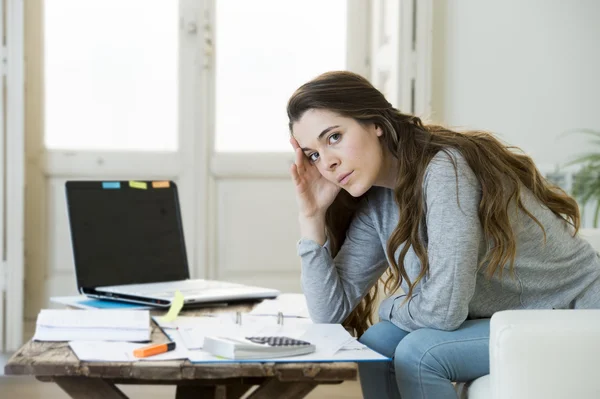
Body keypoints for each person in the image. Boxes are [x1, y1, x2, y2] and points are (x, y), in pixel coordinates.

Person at [286, 70, 600, 398]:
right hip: (514, 317)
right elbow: (327, 312)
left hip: (572, 314)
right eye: (314, 155)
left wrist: (390, 309)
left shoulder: (445, 170)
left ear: (375, 123)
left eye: (334, 137)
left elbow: (444, 311)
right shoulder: (378, 203)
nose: (328, 163)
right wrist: (311, 215)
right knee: (375, 347)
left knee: (421, 354)